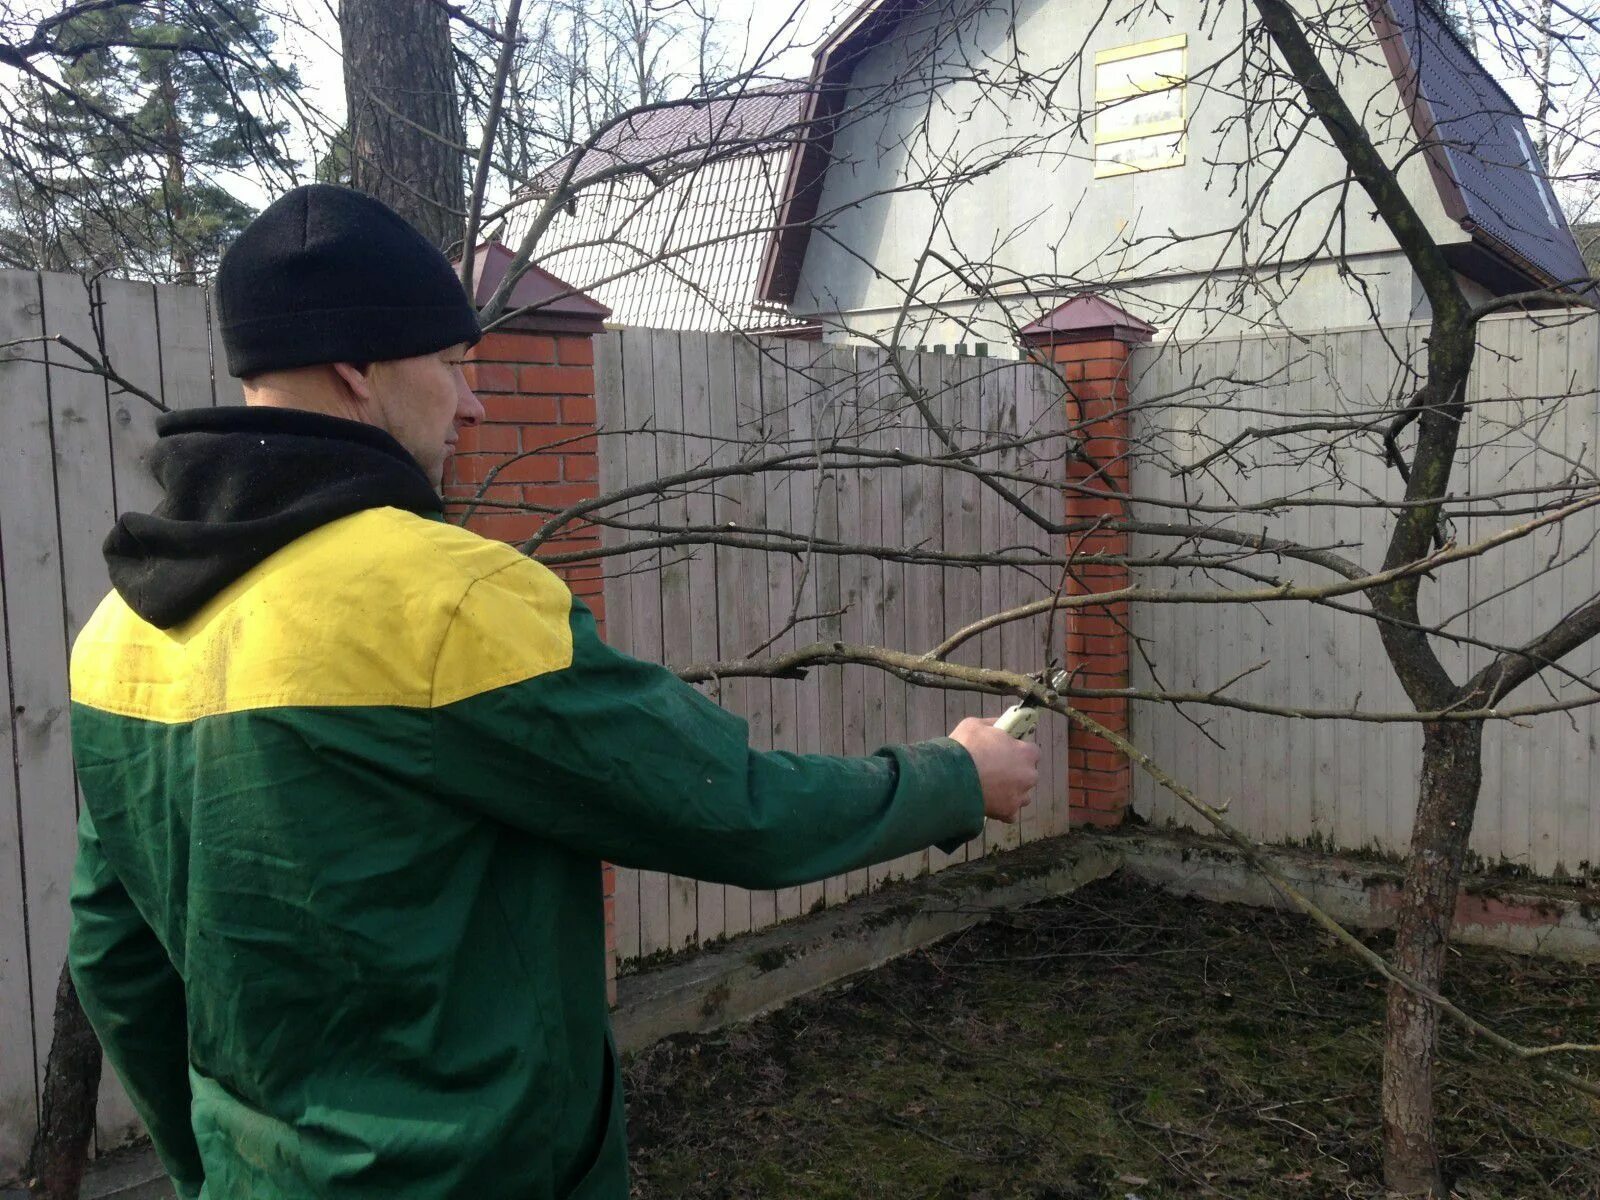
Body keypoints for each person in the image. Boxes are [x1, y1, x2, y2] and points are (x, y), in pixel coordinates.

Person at [66, 183, 1040, 1199]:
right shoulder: (447, 601)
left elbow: (116, 964)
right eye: (450, 366)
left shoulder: (118, 631)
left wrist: (209, 1169)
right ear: (356, 371)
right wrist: (951, 778)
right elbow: (734, 809)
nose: (473, 400)